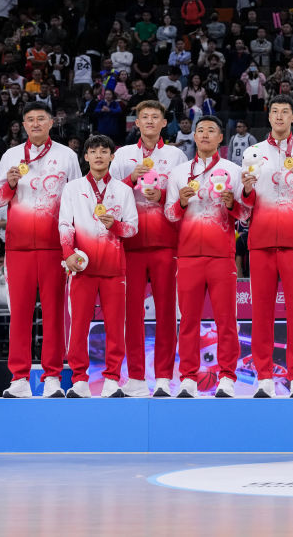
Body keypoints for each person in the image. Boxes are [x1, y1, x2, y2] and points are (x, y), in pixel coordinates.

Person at [0, 103, 82, 398]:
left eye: (41, 118)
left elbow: (78, 197)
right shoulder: (11, 155)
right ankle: (18, 378)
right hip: (18, 248)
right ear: (24, 125)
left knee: (55, 314)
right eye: (30, 119)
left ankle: (52, 376)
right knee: (20, 313)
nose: (35, 123)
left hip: (56, 247)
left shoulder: (66, 156)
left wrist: (73, 246)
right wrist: (10, 184)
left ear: (51, 122)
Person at [241, 94, 293, 397]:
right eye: (274, 111)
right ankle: (263, 377)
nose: (278, 116)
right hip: (260, 242)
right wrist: (247, 191)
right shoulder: (252, 152)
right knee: (260, 312)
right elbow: (244, 207)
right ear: (269, 117)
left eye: (284, 112)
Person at [165, 116, 249, 398]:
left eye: (211, 130)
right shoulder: (178, 173)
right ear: (194, 137)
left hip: (221, 256)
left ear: (220, 139)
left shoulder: (233, 171)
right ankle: (188, 376)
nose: (204, 134)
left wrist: (232, 204)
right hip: (188, 257)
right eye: (200, 130)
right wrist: (182, 202)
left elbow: (246, 214)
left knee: (226, 321)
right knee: (188, 321)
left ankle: (227, 376)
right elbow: (169, 214)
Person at [109, 101, 187, 397]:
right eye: (145, 118)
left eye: (156, 117)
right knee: (132, 315)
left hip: (166, 243)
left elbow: (183, 195)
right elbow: (108, 194)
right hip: (129, 245)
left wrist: (163, 193)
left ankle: (165, 377)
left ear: (164, 122)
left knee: (167, 313)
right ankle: (137, 378)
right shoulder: (123, 155)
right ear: (136, 123)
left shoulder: (176, 155)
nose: (150, 122)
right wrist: (130, 179)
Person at [59, 134, 139, 398]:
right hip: (82, 269)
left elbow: (132, 228)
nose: (99, 156)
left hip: (114, 269)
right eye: (93, 151)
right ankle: (79, 379)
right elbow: (65, 225)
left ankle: (112, 378)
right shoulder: (72, 189)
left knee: (116, 327)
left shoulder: (123, 191)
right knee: (78, 325)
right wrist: (68, 253)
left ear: (112, 157)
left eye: (104, 151)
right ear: (86, 156)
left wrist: (113, 225)